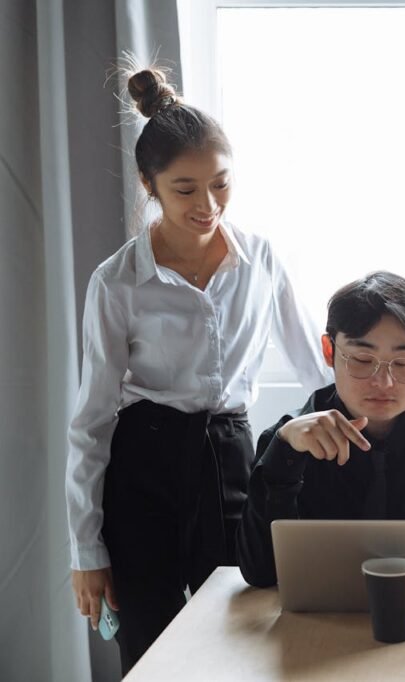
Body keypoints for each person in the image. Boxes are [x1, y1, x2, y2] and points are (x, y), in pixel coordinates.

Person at [65, 65, 330, 674]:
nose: (207, 205)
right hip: (142, 468)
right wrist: (86, 548)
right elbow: (91, 421)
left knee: (245, 632)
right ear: (148, 184)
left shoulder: (261, 259)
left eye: (221, 184)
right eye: (185, 189)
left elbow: (316, 372)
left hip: (231, 456)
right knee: (150, 651)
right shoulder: (116, 282)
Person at [237, 271, 405, 587]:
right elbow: (260, 574)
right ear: (329, 351)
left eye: (403, 363)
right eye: (363, 359)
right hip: (323, 613)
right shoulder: (290, 440)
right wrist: (283, 456)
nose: (383, 382)